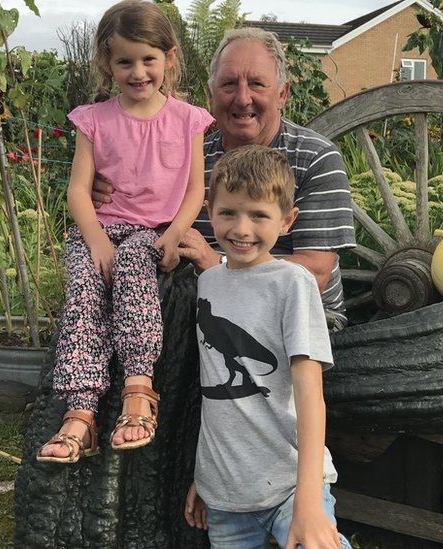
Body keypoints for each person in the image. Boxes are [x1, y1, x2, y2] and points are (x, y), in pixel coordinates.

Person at [38, 0, 214, 463]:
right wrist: (95, 238)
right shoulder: (93, 120)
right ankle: (81, 411)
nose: (138, 72)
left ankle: (139, 385)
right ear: (107, 64)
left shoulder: (187, 120)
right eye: (125, 62)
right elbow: (78, 190)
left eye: (148, 59)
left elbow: (196, 189)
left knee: (135, 266)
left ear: (169, 59)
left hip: (152, 231)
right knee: (83, 289)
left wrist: (176, 232)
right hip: (102, 229)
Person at [93, 27, 356, 329]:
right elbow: (136, 216)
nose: (243, 99)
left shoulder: (315, 157)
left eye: (257, 84)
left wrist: (216, 263)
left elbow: (315, 275)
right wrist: (108, 189)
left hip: (298, 316)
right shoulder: (185, 156)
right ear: (211, 94)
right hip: (203, 307)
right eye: (229, 84)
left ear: (282, 94)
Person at [182, 145, 351, 549]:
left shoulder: (292, 285)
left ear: (287, 220)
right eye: (228, 213)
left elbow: (311, 397)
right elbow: (214, 393)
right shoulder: (208, 283)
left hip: (291, 487)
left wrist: (308, 502)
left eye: (258, 215)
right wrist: (205, 477)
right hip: (225, 495)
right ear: (209, 210)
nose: (241, 229)